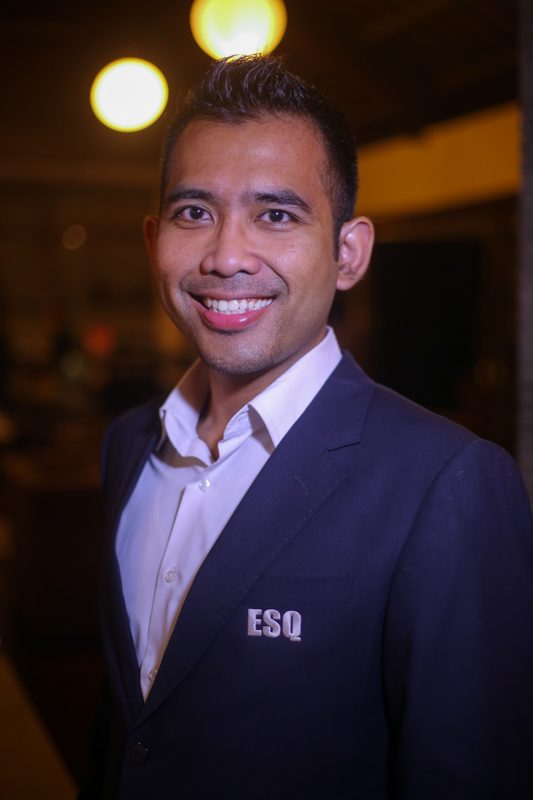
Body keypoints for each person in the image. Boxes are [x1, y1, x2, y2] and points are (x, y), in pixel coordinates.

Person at [82, 55, 533, 799]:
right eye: (194, 212)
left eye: (276, 215)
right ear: (152, 238)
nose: (226, 256)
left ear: (348, 253)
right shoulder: (128, 444)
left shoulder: (447, 484)